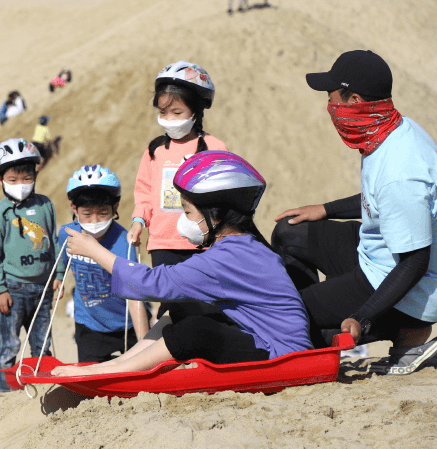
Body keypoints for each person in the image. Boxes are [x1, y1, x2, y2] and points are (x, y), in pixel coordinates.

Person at [51, 151, 311, 377]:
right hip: (266, 341)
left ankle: (116, 370)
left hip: (281, 357)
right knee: (185, 309)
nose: (183, 220)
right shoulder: (243, 246)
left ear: (214, 214)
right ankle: (121, 363)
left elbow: (152, 284)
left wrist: (94, 250)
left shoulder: (226, 258)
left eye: (187, 211)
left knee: (194, 330)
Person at [272, 50, 437, 375]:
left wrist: (363, 315)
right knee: (289, 231)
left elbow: (415, 262)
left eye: (332, 98)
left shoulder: (400, 171)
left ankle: (405, 331)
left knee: (286, 317)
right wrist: (326, 209)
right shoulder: (389, 129)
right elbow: (378, 198)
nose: (329, 106)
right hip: (377, 256)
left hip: (405, 285)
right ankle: (308, 313)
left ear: (354, 100)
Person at [127, 61, 227, 325]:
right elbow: (144, 191)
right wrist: (139, 221)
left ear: (196, 110)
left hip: (203, 242)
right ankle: (169, 357)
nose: (169, 119)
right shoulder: (154, 150)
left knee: (203, 302)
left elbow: (226, 196)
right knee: (170, 304)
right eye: (163, 112)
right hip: (163, 242)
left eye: (177, 111)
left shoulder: (214, 148)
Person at [0, 138, 61, 392]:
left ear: (35, 176)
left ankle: (44, 387)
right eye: (13, 180)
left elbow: (55, 243)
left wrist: (58, 275)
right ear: (0, 180)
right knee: (9, 344)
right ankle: (5, 390)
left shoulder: (45, 205)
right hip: (13, 290)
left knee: (42, 342)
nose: (21, 185)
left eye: (26, 178)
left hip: (43, 287)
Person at [57, 165, 148, 362]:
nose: (95, 221)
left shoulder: (125, 243)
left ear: (115, 207)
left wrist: (144, 345)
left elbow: (135, 299)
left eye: (103, 212)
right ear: (74, 209)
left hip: (126, 325)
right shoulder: (67, 234)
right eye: (87, 214)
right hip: (90, 325)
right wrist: (58, 278)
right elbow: (61, 261)